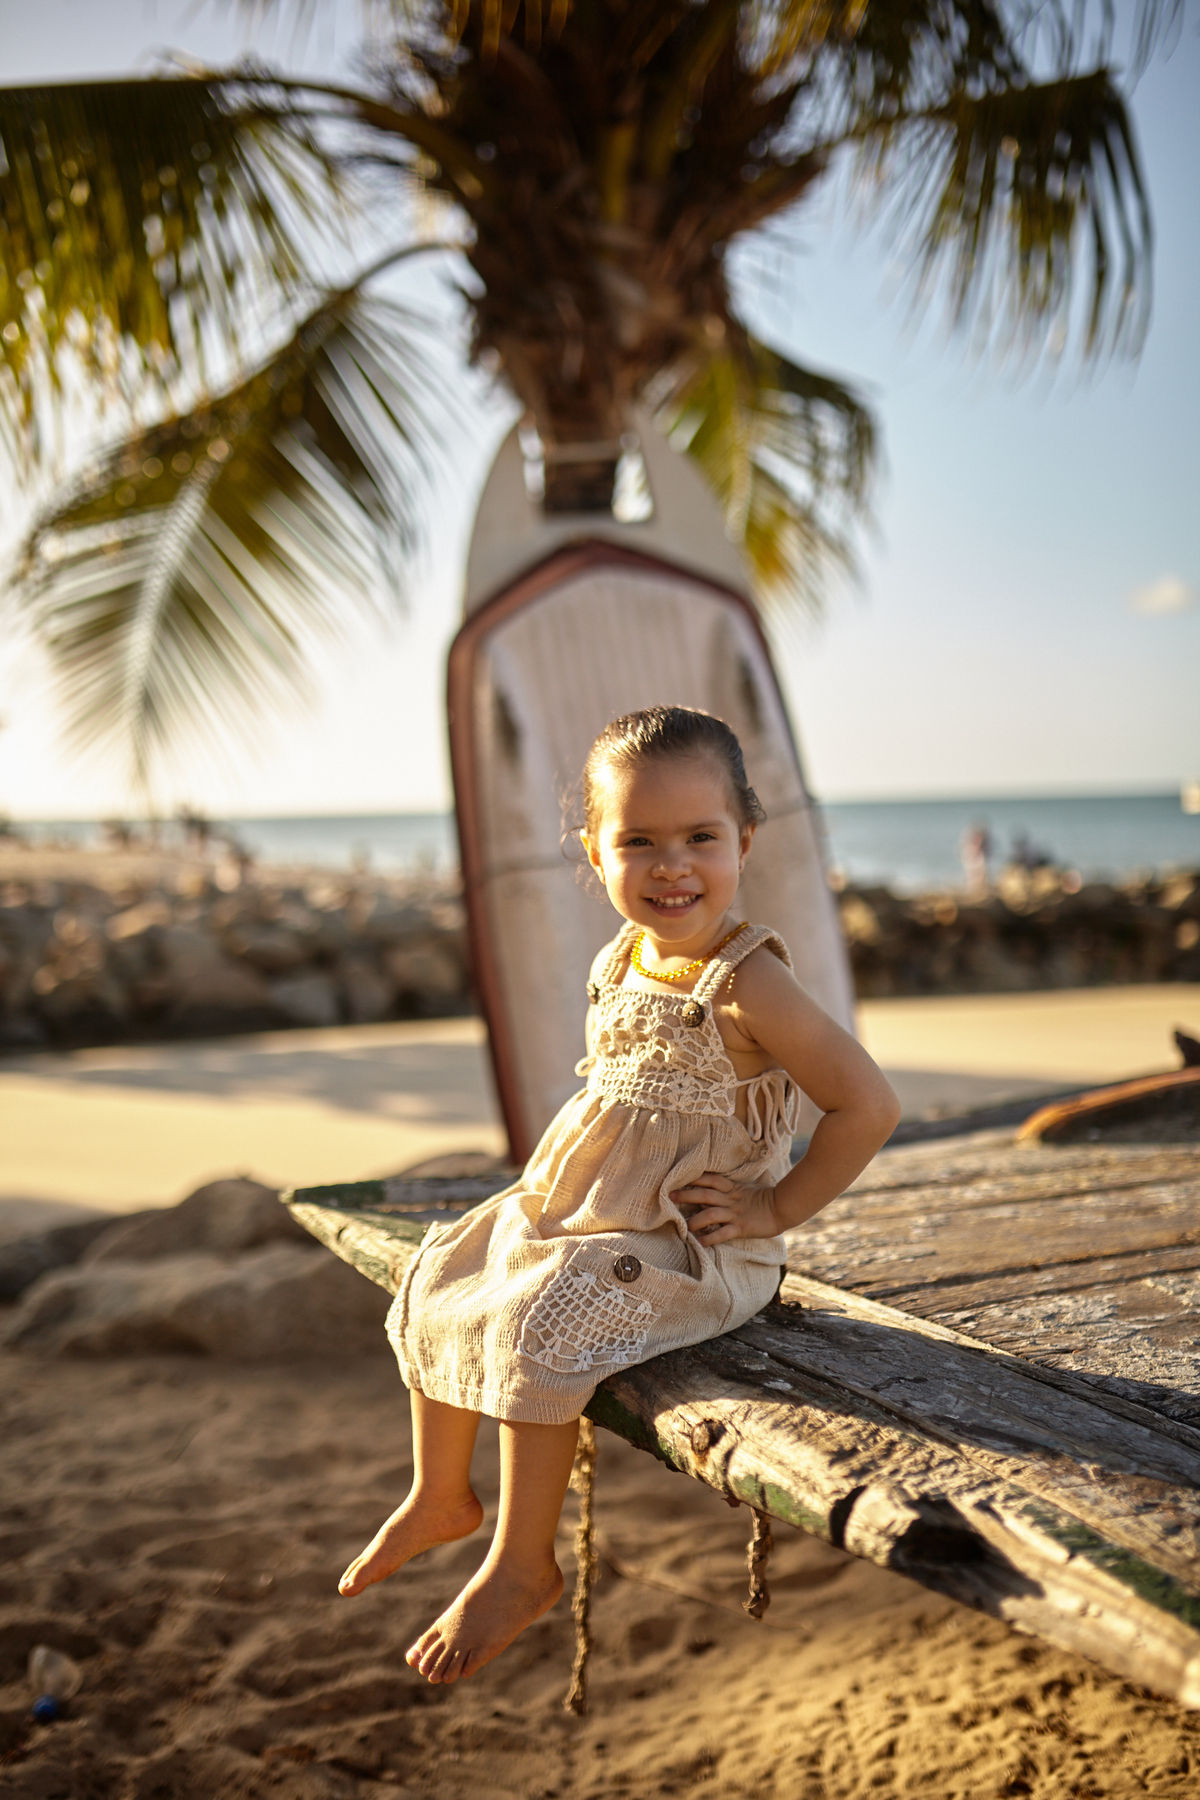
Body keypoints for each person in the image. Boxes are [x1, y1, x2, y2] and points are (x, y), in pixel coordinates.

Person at [338, 707, 901, 1685]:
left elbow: (868, 1103)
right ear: (592, 851)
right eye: (637, 840)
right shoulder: (624, 956)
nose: (669, 864)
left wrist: (772, 1213)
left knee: (538, 1324)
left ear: (744, 842)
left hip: (692, 1250)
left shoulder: (745, 982)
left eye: (699, 838)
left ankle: (521, 1563)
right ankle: (440, 1494)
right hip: (588, 1210)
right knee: (447, 1267)